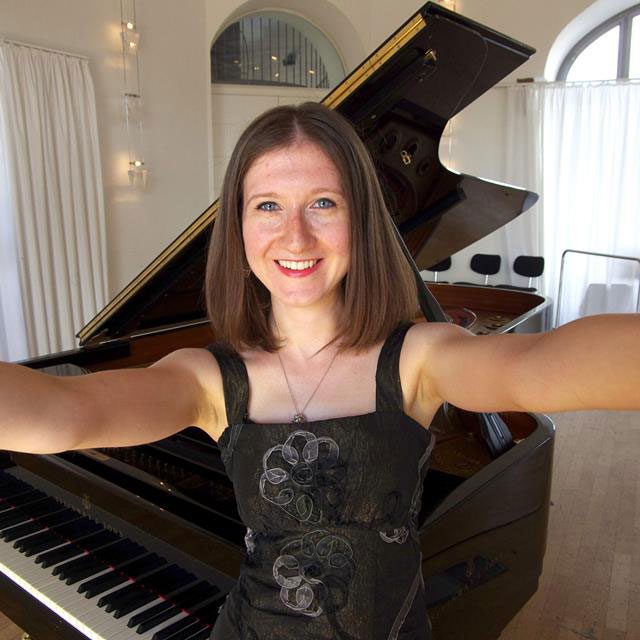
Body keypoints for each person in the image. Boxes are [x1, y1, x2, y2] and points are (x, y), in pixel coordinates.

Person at [1, 102, 639, 639]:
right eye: (268, 206)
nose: (296, 237)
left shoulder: (417, 360)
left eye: (324, 203)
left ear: (360, 219)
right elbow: (64, 413)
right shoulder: (208, 380)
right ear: (239, 226)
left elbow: (538, 365)